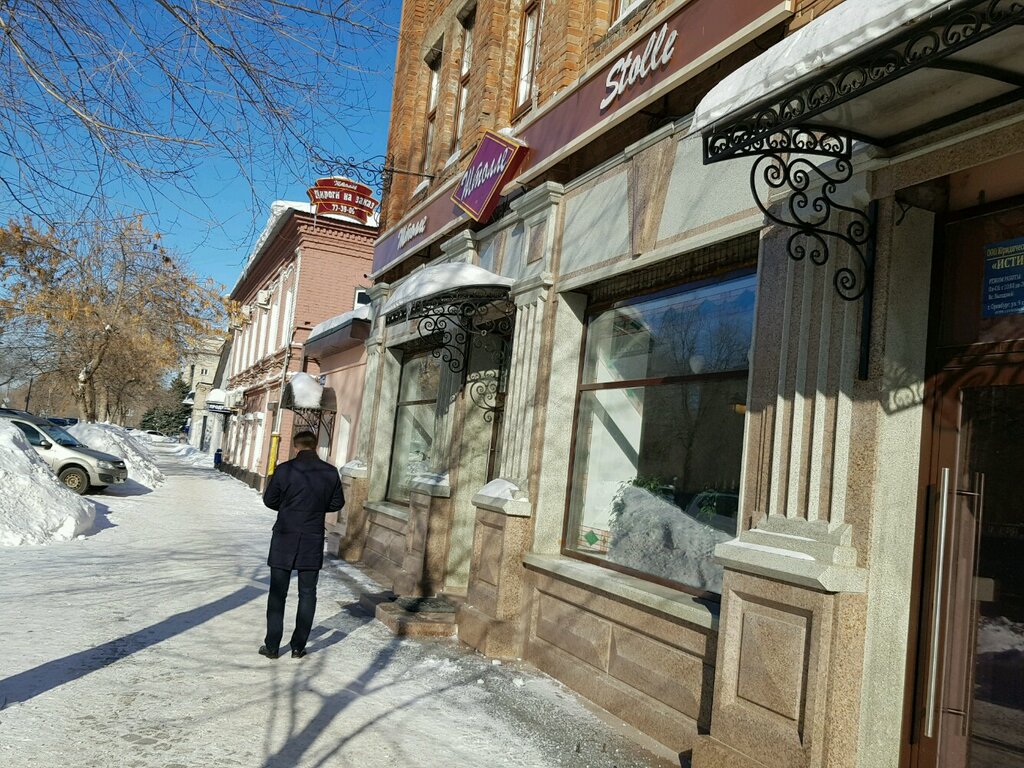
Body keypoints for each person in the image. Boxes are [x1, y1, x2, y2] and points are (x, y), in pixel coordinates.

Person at [258, 430, 344, 659]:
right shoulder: (330, 472)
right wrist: (315, 508)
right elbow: (337, 503)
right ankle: (298, 647)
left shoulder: (285, 470)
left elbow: (269, 499)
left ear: (296, 447)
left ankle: (272, 646)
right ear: (315, 446)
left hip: (284, 535)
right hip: (312, 537)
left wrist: (288, 508)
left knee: (278, 593)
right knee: (307, 593)